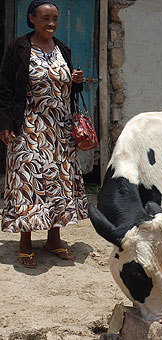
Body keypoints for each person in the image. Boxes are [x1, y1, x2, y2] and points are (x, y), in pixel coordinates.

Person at [0, 0, 89, 268]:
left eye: (54, 19)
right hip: (28, 126)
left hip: (60, 128)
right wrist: (5, 124)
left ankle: (54, 239)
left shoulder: (62, 48)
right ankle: (25, 243)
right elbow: (5, 89)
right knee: (28, 182)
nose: (51, 24)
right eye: (45, 18)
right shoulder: (18, 47)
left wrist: (76, 82)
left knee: (59, 181)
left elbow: (67, 90)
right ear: (32, 19)